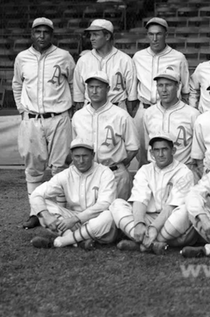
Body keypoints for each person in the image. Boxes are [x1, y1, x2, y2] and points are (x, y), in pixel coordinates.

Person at [13, 17, 75, 229]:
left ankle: (61, 212)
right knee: (33, 168)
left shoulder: (64, 56)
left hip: (58, 116)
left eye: (45, 32)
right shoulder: (22, 58)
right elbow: (17, 85)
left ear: (52, 34)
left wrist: (71, 112)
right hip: (32, 119)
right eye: (37, 32)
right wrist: (23, 110)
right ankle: (35, 212)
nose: (41, 36)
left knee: (61, 167)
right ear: (32, 34)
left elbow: (74, 84)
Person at [110, 132, 194, 254]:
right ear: (151, 153)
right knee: (116, 204)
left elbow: (172, 207)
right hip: (147, 218)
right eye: (156, 150)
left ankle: (140, 243)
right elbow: (139, 200)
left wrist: (154, 228)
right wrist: (139, 223)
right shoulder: (145, 170)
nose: (160, 154)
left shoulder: (184, 172)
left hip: (169, 219)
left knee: (186, 211)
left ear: (173, 150)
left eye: (164, 149)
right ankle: (153, 243)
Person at [29, 138, 118, 250]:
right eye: (77, 156)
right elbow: (36, 194)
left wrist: (76, 219)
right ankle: (79, 240)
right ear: (72, 156)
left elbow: (105, 204)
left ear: (93, 155)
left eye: (85, 156)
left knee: (108, 216)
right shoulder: (66, 174)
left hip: (95, 220)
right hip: (73, 221)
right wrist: (47, 216)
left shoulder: (105, 172)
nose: (81, 160)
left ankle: (63, 241)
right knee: (40, 206)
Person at [72, 71, 139, 200]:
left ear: (107, 89)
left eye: (98, 87)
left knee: (118, 214)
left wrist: (119, 164)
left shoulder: (121, 115)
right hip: (88, 173)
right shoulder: (78, 116)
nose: (94, 91)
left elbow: (133, 147)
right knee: (89, 216)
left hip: (115, 173)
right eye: (91, 87)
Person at [133, 17, 190, 160]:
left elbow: (186, 89)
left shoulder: (178, 57)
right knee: (144, 156)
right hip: (144, 109)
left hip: (170, 110)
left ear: (166, 35)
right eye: (151, 34)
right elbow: (133, 86)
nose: (155, 38)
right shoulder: (138, 57)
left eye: (158, 34)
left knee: (171, 153)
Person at [74, 19, 137, 117]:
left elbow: (132, 97)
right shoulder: (83, 60)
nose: (91, 38)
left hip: (117, 110)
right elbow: (78, 97)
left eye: (96, 34)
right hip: (90, 112)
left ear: (107, 36)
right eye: (90, 35)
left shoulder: (124, 60)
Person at [143, 67, 199, 174]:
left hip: (184, 171)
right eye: (160, 85)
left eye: (168, 85)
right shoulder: (149, 113)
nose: (164, 90)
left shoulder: (192, 114)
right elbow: (146, 147)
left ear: (177, 86)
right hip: (156, 172)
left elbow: (198, 152)